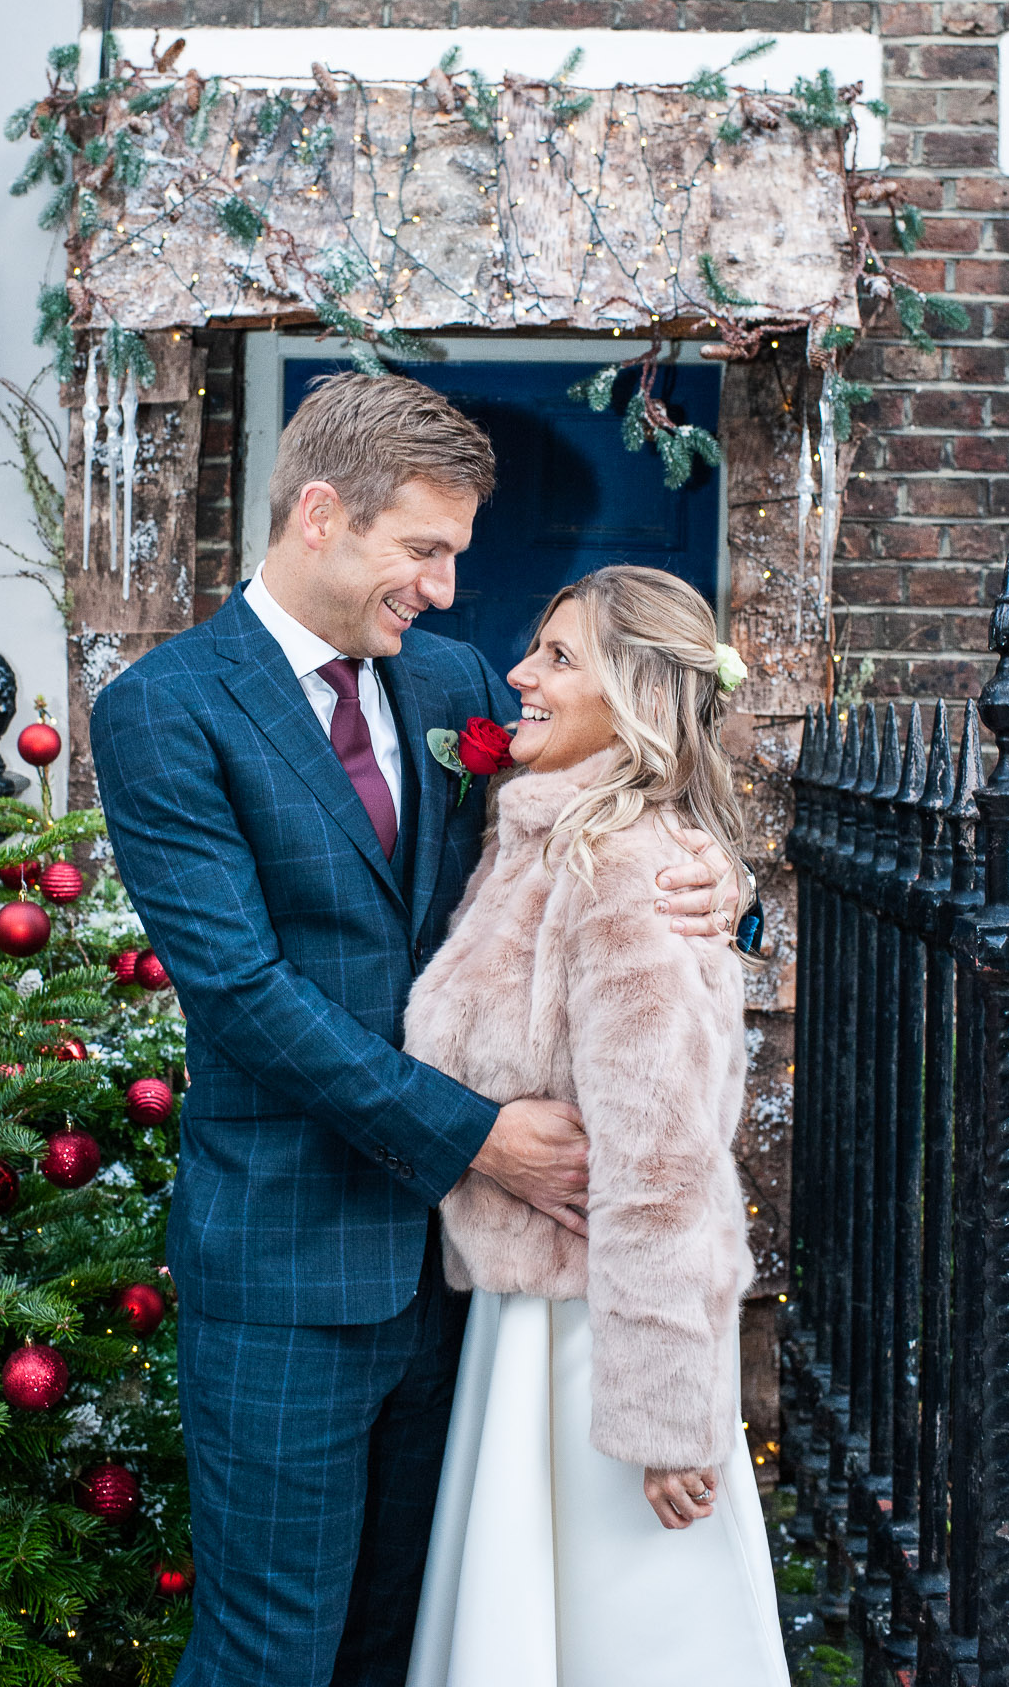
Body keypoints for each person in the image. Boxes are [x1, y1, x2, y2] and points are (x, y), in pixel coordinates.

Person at [90, 373, 747, 1687]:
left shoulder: (444, 683)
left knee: (405, 1649)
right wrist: (477, 1142)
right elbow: (243, 995)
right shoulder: (163, 709)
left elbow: (597, 830)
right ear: (323, 514)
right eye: (424, 552)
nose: (447, 592)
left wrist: (716, 886)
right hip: (289, 1275)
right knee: (271, 1655)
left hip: (457, 1294)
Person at [403, 564, 788, 1687]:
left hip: (599, 1348)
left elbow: (664, 1163)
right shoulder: (534, 835)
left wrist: (668, 1413)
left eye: (559, 658)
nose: (516, 672)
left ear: (637, 701)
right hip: (525, 1324)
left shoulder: (622, 866)